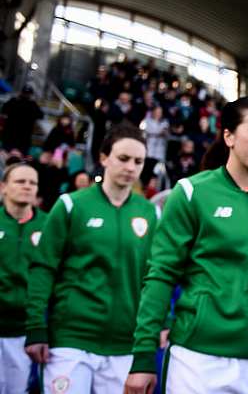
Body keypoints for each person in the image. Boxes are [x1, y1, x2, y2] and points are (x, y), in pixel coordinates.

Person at [124, 97, 248, 394]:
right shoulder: (192, 193)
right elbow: (161, 276)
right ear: (229, 136)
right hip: (199, 359)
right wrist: (143, 356)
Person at [24, 124, 158, 393]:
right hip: (71, 340)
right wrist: (36, 325)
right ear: (104, 157)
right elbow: (43, 268)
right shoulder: (71, 205)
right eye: (123, 158)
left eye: (138, 161)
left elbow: (154, 277)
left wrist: (159, 328)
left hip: (125, 344)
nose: (131, 167)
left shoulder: (151, 213)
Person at [0, 163, 48, 392]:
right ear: (3, 188)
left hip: (25, 331)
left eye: (33, 183)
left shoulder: (49, 225)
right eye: (20, 181)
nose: (27, 187)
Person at [1, 84, 43, 154]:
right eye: (25, 93)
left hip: (23, 138)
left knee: (19, 157)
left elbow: (40, 115)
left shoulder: (32, 104)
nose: (26, 95)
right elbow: (4, 110)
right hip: (10, 135)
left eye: (28, 93)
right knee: (5, 154)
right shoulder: (14, 101)